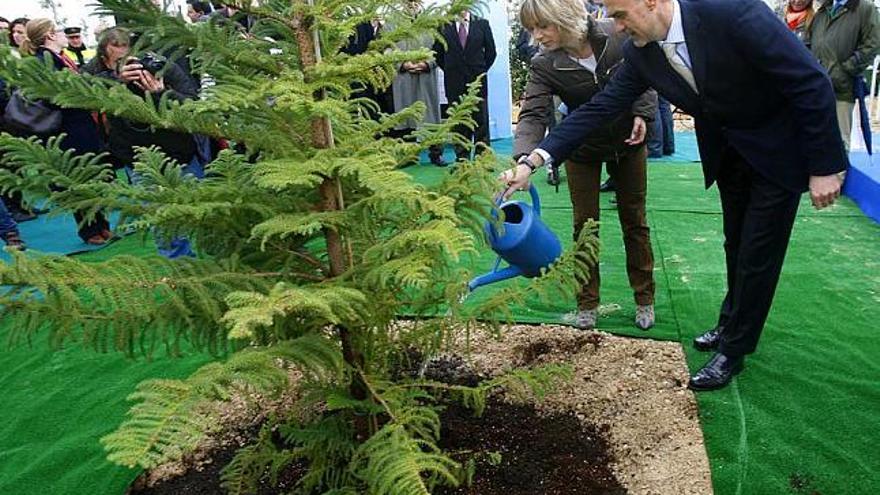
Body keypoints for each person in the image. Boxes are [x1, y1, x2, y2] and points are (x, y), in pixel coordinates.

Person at [503, 0, 846, 391]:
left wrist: (824, 166)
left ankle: (734, 350)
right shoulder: (640, 51)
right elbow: (600, 107)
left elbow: (810, 79)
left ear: (651, 1)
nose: (615, 28)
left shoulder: (731, 12)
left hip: (778, 148)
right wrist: (533, 160)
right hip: (729, 153)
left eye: (619, 15)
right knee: (736, 243)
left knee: (758, 252)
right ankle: (730, 321)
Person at [516, 0, 657, 330]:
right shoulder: (543, 64)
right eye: (531, 29)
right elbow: (534, 114)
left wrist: (643, 113)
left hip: (629, 142)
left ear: (563, 18)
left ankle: (644, 297)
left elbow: (647, 72)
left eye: (542, 26)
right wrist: (525, 159)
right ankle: (587, 301)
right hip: (581, 147)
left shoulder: (617, 33)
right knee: (585, 225)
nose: (536, 37)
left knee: (634, 220)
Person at [20, 18, 112, 245]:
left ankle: (101, 224)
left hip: (81, 126)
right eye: (59, 30)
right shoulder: (44, 61)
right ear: (50, 35)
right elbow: (52, 96)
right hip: (68, 130)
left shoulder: (61, 57)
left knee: (90, 175)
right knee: (76, 180)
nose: (63, 34)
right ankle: (89, 230)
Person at [808, 0, 880, 151]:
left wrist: (845, 69)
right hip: (817, 88)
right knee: (815, 140)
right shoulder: (823, 10)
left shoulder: (865, 9)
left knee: (839, 144)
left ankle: (839, 175)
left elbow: (872, 45)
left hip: (842, 90)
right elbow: (810, 43)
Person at [388, 2, 447, 166]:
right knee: (405, 114)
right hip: (403, 77)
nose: (412, 3)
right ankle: (407, 155)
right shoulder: (392, 21)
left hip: (426, 77)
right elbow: (386, 48)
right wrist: (402, 64)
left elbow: (440, 47)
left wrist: (428, 64)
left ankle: (436, 154)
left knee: (430, 115)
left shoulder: (432, 21)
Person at [434, 9, 496, 161]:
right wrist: (451, 69)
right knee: (459, 122)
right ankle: (462, 158)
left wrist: (480, 69)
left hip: (478, 81)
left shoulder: (482, 24)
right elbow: (437, 53)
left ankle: (482, 158)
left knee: (480, 121)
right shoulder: (443, 26)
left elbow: (491, 52)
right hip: (454, 82)